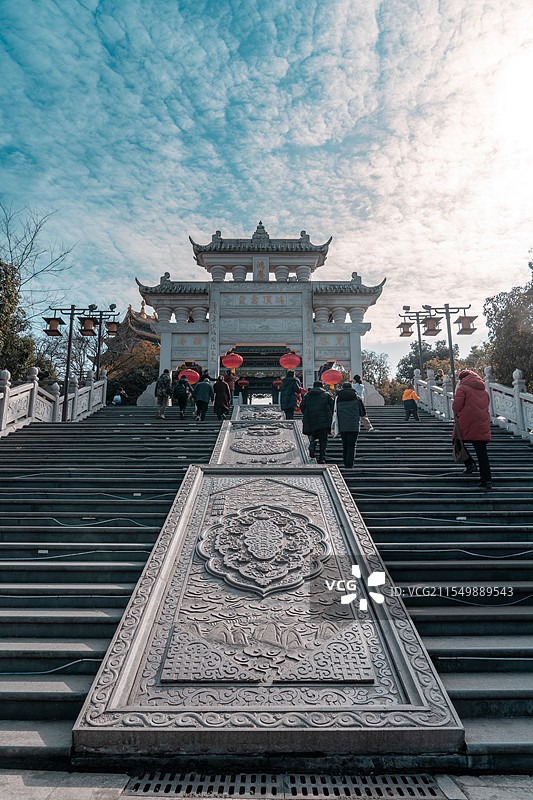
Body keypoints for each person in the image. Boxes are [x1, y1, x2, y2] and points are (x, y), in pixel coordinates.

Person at [452, 369, 492, 490]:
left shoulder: (462, 388)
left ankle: (470, 464)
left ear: (462, 379)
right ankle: (487, 480)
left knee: (457, 441)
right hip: (482, 423)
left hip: (467, 422)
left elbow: (456, 407)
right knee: (482, 453)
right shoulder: (484, 390)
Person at [300, 380, 334, 463]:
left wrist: (307, 414)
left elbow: (302, 406)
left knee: (313, 435)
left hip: (311, 419)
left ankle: (312, 445)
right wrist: (330, 415)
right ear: (321, 386)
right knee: (323, 439)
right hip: (324, 420)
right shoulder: (327, 395)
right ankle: (322, 457)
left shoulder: (308, 395)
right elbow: (332, 405)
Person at [336, 382, 361, 468]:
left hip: (342, 425)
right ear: (351, 388)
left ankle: (345, 463)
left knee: (345, 445)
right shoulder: (357, 398)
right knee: (352, 445)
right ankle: (349, 464)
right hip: (353, 425)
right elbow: (362, 412)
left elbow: (334, 411)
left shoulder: (338, 398)